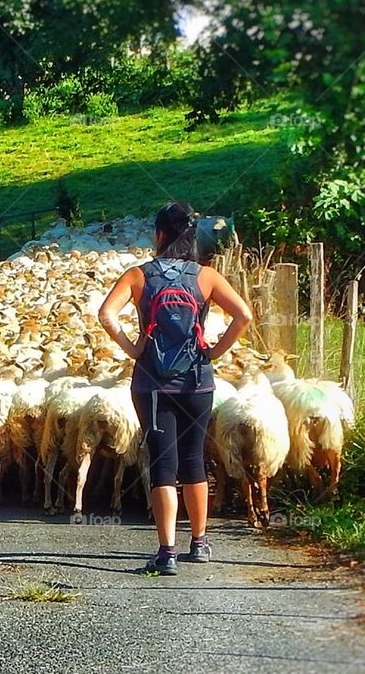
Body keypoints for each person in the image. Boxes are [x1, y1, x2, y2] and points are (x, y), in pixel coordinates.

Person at [98, 201, 252, 575]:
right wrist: (214, 351)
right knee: (194, 459)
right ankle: (198, 543)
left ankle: (166, 551)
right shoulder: (206, 276)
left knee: (163, 463)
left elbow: (105, 314)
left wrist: (134, 349)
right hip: (197, 381)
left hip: (152, 383)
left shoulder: (138, 276)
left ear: (159, 234)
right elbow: (244, 315)